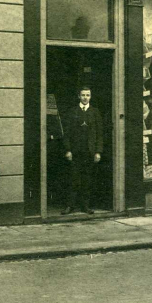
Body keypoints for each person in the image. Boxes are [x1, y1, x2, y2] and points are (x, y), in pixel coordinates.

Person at [61, 85, 104, 215]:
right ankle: (70, 206)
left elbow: (99, 134)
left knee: (87, 180)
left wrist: (98, 152)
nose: (85, 98)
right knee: (74, 179)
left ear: (90, 96)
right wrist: (68, 150)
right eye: (83, 95)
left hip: (89, 152)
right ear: (79, 96)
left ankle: (85, 206)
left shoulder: (95, 112)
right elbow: (66, 133)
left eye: (88, 95)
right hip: (75, 152)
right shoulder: (72, 112)